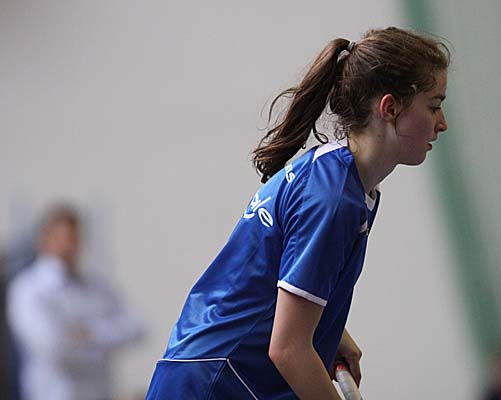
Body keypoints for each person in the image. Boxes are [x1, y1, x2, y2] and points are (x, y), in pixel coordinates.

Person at [146, 26, 449, 399]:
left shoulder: (342, 181)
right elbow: (289, 350)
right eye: (433, 105)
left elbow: (279, 280)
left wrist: (333, 332)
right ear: (390, 108)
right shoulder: (333, 199)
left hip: (212, 374)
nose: (442, 122)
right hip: (214, 383)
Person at [7, 203, 144, 400]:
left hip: (99, 393)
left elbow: (136, 327)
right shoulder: (28, 289)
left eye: (73, 238)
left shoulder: (95, 285)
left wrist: (89, 333)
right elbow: (52, 347)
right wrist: (100, 346)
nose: (69, 245)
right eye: (61, 238)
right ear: (44, 240)